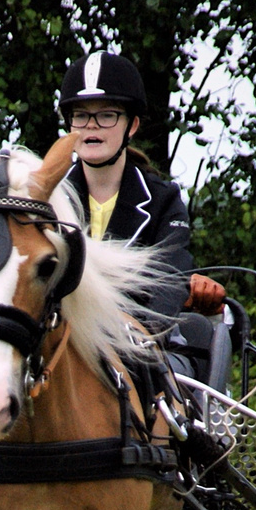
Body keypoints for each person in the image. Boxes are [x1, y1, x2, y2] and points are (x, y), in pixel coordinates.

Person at [58, 51, 225, 321]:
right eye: (80, 116)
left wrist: (143, 338)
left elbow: (170, 275)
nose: (91, 127)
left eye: (107, 115)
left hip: (137, 336)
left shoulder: (163, 200)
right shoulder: (48, 200)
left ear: (131, 125)